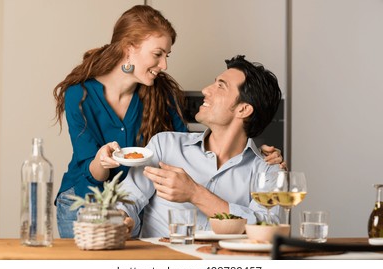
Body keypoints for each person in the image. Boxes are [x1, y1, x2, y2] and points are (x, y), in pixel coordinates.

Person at [53, 5, 283, 238]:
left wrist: (257, 153)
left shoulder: (161, 95)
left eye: (166, 55)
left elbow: (186, 150)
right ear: (129, 49)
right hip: (87, 201)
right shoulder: (80, 96)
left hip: (134, 210)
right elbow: (93, 170)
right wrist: (103, 164)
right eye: (157, 54)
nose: (164, 65)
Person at [118, 55, 283, 238]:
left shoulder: (268, 170)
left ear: (243, 109)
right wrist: (122, 219)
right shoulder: (165, 145)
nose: (205, 90)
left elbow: (267, 227)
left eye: (221, 86)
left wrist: (195, 194)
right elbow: (127, 199)